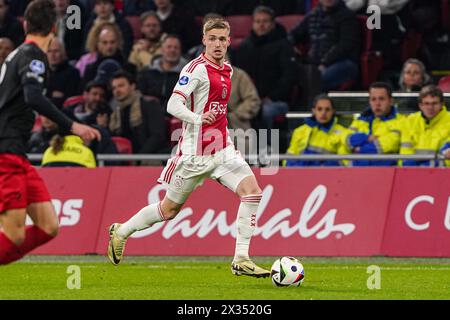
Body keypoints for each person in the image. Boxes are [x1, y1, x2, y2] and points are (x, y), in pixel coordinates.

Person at [107, 18, 271, 278]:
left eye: (222, 39)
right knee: (168, 210)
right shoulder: (194, 69)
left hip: (222, 148)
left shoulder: (227, 69)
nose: (217, 44)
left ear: (229, 41)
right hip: (194, 154)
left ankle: (241, 258)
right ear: (204, 40)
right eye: (212, 38)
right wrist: (197, 118)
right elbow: (172, 105)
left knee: (252, 192)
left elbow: (218, 109)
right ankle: (122, 231)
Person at [0, 0, 100, 265]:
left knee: (48, 226)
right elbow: (33, 97)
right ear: (54, 27)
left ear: (24, 24)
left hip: (17, 154)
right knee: (14, 235)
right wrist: (73, 125)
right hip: (5, 151)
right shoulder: (32, 55)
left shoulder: (19, 54)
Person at [233, 6, 297, 131]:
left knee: (265, 112)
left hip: (275, 100)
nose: (261, 25)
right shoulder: (245, 47)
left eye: (265, 21)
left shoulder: (284, 46)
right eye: (258, 21)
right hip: (249, 99)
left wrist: (271, 97)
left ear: (272, 24)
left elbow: (289, 77)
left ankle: (266, 146)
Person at [344, 82, 404, 166]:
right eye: (373, 99)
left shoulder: (401, 121)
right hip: (356, 172)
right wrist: (367, 138)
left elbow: (389, 144)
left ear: (391, 101)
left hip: (387, 173)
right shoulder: (360, 120)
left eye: (381, 99)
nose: (377, 104)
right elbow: (347, 141)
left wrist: (359, 149)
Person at [109, 70, 168, 155]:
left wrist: (139, 158)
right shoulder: (115, 112)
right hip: (126, 160)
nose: (117, 90)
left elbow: (158, 136)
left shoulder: (149, 105)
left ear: (132, 86)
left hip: (150, 158)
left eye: (121, 86)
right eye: (114, 88)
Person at [285, 94, 350, 167]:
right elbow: (289, 157)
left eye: (327, 109)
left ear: (333, 111)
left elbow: (344, 162)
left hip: (328, 176)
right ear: (314, 110)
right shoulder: (299, 131)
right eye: (319, 109)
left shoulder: (343, 133)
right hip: (301, 175)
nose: (323, 113)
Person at [400, 85, 450, 167]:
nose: (430, 107)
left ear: (442, 104)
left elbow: (446, 158)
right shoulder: (410, 120)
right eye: (426, 103)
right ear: (420, 105)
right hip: (411, 171)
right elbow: (405, 154)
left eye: (434, 103)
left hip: (442, 173)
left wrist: (424, 167)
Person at [136, 34, 188, 111]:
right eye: (169, 47)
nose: (172, 50)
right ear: (162, 50)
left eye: (176, 48)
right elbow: (139, 94)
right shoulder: (147, 72)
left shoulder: (188, 75)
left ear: (180, 51)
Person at [46, 37, 81, 108]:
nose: (52, 55)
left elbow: (70, 99)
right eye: (49, 51)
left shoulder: (73, 73)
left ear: (63, 52)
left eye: (56, 51)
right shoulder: (43, 72)